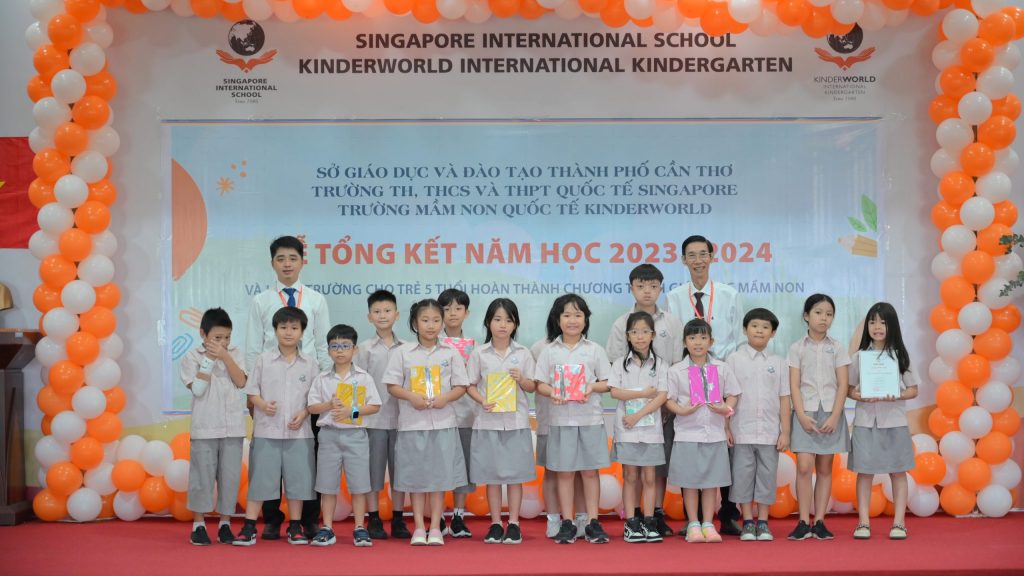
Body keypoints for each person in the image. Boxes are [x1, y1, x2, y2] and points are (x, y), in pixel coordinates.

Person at [245, 235, 330, 539]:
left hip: (307, 391)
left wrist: (323, 390)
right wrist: (252, 395)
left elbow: (322, 346)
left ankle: (308, 519)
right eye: (280, 259)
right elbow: (253, 348)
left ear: (302, 262)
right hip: (270, 391)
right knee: (268, 458)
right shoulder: (261, 301)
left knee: (306, 457)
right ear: (272, 263)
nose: (287, 264)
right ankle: (271, 518)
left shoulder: (316, 299)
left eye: (293, 258)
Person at [665, 235, 744, 534]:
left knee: (723, 445)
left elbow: (737, 338)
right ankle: (695, 519)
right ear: (683, 260)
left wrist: (723, 373)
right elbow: (675, 339)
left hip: (721, 372)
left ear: (712, 257)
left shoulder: (728, 294)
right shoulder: (674, 297)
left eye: (703, 254)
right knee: (694, 448)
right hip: (689, 376)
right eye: (691, 255)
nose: (698, 260)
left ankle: (727, 513)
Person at [605, 264, 684, 537]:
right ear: (631, 289)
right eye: (640, 286)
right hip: (630, 415)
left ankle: (655, 516)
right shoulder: (620, 323)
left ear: (661, 289)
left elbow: (676, 365)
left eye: (653, 286)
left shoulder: (671, 322)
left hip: (665, 407)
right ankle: (634, 518)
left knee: (656, 468)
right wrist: (641, 399)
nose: (647, 291)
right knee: (632, 472)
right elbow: (615, 366)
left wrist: (666, 404)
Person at [383, 299, 470, 546]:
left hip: (443, 423)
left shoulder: (450, 352)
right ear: (414, 322)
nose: (431, 325)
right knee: (416, 478)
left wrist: (445, 398)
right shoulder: (402, 352)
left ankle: (435, 527)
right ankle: (419, 527)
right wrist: (411, 396)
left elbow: (461, 386)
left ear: (442, 323)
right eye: (425, 320)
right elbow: (392, 385)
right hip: (412, 424)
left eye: (435, 320)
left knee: (439, 479)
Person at [234, 307, 320, 546]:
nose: (288, 332)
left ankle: (295, 527)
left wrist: (304, 413)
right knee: (260, 480)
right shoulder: (263, 360)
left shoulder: (310, 364)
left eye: (294, 328)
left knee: (298, 483)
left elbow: (315, 399)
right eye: (283, 327)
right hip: (267, 431)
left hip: (299, 434)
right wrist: (262, 404)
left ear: (303, 332)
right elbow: (251, 392)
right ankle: (249, 527)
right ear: (274, 330)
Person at [534, 294, 612, 545]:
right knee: (565, 473)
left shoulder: (595, 349)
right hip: (560, 420)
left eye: (578, 315)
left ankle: (592, 522)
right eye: (567, 315)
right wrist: (553, 392)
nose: (572, 320)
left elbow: (607, 382)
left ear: (585, 320)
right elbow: (540, 383)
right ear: (557, 320)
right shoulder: (549, 351)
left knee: (590, 472)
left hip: (590, 419)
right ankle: (567, 522)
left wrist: (591, 387)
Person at [465, 298, 537, 545]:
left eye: (508, 320)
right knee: (492, 476)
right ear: (488, 322)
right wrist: (482, 400)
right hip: (488, 422)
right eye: (497, 319)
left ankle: (514, 523)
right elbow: (470, 385)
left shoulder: (523, 353)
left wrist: (521, 379)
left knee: (515, 476)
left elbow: (532, 386)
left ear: (515, 324)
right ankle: (495, 523)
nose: (503, 325)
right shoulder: (479, 353)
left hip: (516, 422)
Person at [306, 324, 382, 547]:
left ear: (354, 349)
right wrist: (329, 405)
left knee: (359, 485)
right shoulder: (322, 378)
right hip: (328, 435)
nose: (340, 351)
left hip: (355, 435)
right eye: (335, 346)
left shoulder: (364, 377)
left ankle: (359, 527)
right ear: (328, 350)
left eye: (345, 346)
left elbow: (375, 406)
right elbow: (311, 407)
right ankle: (327, 528)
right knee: (326, 485)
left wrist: (352, 412)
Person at [848, 302, 918, 540]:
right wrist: (859, 395)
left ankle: (899, 523)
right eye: (872, 322)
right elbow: (849, 389)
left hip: (894, 421)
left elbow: (913, 389)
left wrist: (896, 394)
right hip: (865, 421)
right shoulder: (858, 357)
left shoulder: (900, 355)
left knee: (898, 472)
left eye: (883, 322)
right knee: (864, 472)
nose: (877, 327)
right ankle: (863, 523)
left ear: (892, 326)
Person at [666, 319, 741, 543]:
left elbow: (734, 393)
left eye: (702, 337)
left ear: (711, 341)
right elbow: (668, 399)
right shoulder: (676, 371)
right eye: (692, 338)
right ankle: (693, 524)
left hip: (714, 434)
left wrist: (726, 408)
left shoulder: (721, 368)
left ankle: (708, 523)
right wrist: (682, 410)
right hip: (687, 434)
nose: (697, 342)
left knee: (711, 482)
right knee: (689, 482)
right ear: (684, 342)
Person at [787, 294, 851, 541]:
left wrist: (835, 416)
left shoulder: (838, 347)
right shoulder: (796, 348)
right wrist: (801, 415)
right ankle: (803, 521)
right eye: (818, 312)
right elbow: (794, 385)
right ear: (806, 316)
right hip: (805, 412)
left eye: (829, 314)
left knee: (825, 468)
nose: (824, 318)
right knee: (804, 466)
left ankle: (820, 521)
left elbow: (843, 384)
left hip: (830, 412)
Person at [181, 308, 247, 546]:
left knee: (230, 478)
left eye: (227, 337)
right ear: (203, 334)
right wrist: (210, 359)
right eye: (217, 338)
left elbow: (241, 381)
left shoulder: (235, 353)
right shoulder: (192, 357)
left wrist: (225, 356)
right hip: (205, 427)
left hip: (232, 428)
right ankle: (198, 525)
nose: (223, 342)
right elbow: (198, 390)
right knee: (202, 477)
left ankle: (225, 524)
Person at [726, 308, 792, 542]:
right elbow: (728, 396)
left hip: (769, 432)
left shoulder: (779, 362)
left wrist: (785, 431)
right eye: (754, 326)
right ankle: (747, 522)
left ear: (773, 333)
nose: (759, 331)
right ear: (745, 330)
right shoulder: (734, 359)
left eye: (765, 327)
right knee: (742, 476)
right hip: (741, 430)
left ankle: (762, 522)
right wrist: (726, 427)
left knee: (766, 476)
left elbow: (784, 398)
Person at [608, 311, 669, 544]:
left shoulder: (661, 364)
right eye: (634, 332)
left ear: (653, 335)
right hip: (627, 431)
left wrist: (638, 415)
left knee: (650, 478)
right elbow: (615, 392)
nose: (640, 336)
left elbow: (662, 396)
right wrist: (642, 393)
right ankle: (632, 523)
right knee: (630, 476)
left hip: (651, 431)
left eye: (645, 331)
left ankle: (649, 522)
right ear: (628, 336)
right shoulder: (620, 364)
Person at [355, 289, 410, 539]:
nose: (382, 315)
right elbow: (357, 386)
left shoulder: (408, 349)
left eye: (387, 310)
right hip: (373, 421)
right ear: (369, 317)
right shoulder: (363, 350)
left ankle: (398, 518)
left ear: (396, 315)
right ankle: (374, 518)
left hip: (403, 420)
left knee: (401, 472)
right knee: (373, 472)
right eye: (376, 312)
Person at [438, 288, 475, 538]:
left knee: (465, 468)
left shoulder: (474, 346)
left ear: (466, 313)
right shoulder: (431, 343)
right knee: (439, 466)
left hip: (466, 414)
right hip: (438, 415)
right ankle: (438, 516)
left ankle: (459, 516)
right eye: (447, 308)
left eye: (458, 308)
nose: (452, 313)